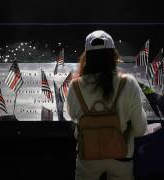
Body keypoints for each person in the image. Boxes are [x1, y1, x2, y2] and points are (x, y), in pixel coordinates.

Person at [67, 30, 148, 180]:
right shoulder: (128, 83)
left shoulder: (75, 86)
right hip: (121, 157)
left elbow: (73, 116)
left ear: (86, 57)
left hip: (87, 156)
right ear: (113, 55)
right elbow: (140, 130)